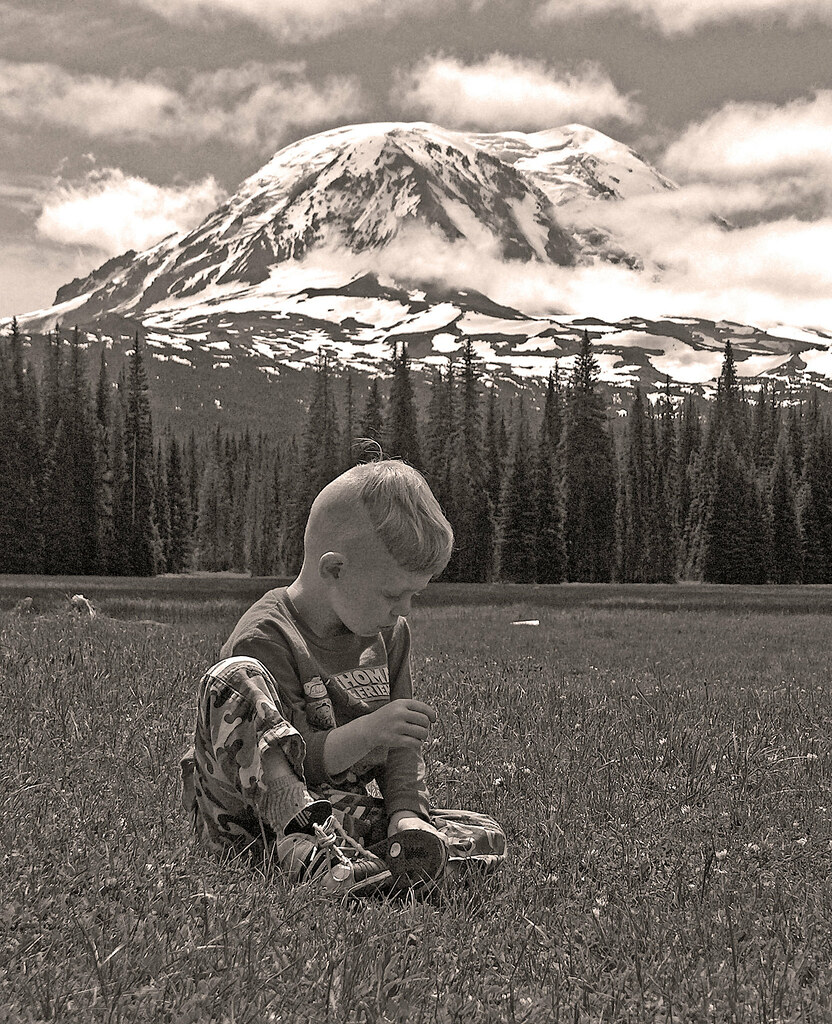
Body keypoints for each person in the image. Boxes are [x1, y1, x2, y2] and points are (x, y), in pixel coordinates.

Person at [181, 458, 506, 897]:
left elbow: (401, 745)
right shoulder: (266, 636)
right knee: (234, 677)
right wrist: (369, 731)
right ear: (335, 570)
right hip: (253, 818)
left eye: (414, 594)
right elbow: (298, 760)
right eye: (393, 594)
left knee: (483, 833)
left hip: (333, 813)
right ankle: (319, 853)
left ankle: (359, 868)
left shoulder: (390, 634)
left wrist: (407, 815)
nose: (404, 609)